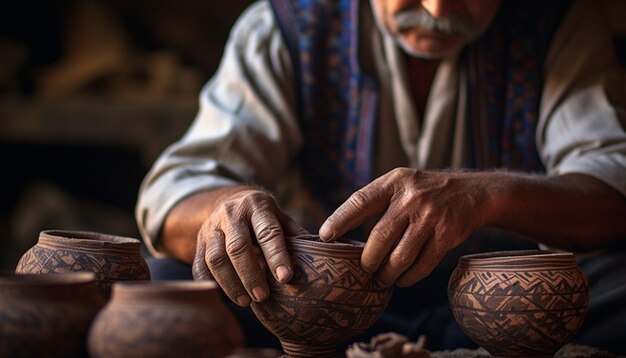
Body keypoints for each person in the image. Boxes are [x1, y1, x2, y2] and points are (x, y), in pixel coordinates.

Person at [136, 0, 626, 353]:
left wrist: (487, 195)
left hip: (493, 316)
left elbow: (613, 192)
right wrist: (226, 208)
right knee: (163, 287)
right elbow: (174, 191)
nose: (436, 10)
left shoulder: (557, 24)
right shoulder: (287, 27)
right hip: (319, 308)